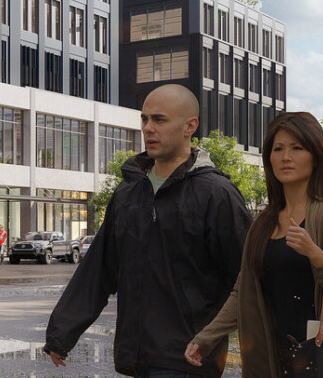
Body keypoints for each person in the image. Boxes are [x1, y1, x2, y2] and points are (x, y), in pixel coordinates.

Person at [44, 84, 250, 378]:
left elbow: (248, 277)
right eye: (144, 119)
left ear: (189, 126)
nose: (148, 128)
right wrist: (61, 333)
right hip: (137, 355)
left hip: (189, 359)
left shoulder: (217, 194)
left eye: (160, 120)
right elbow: (99, 269)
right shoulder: (129, 192)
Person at [186, 112, 323, 378]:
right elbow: (241, 290)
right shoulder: (263, 224)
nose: (285, 157)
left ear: (315, 156)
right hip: (273, 356)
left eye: (297, 148)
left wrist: (315, 254)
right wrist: (206, 338)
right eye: (277, 149)